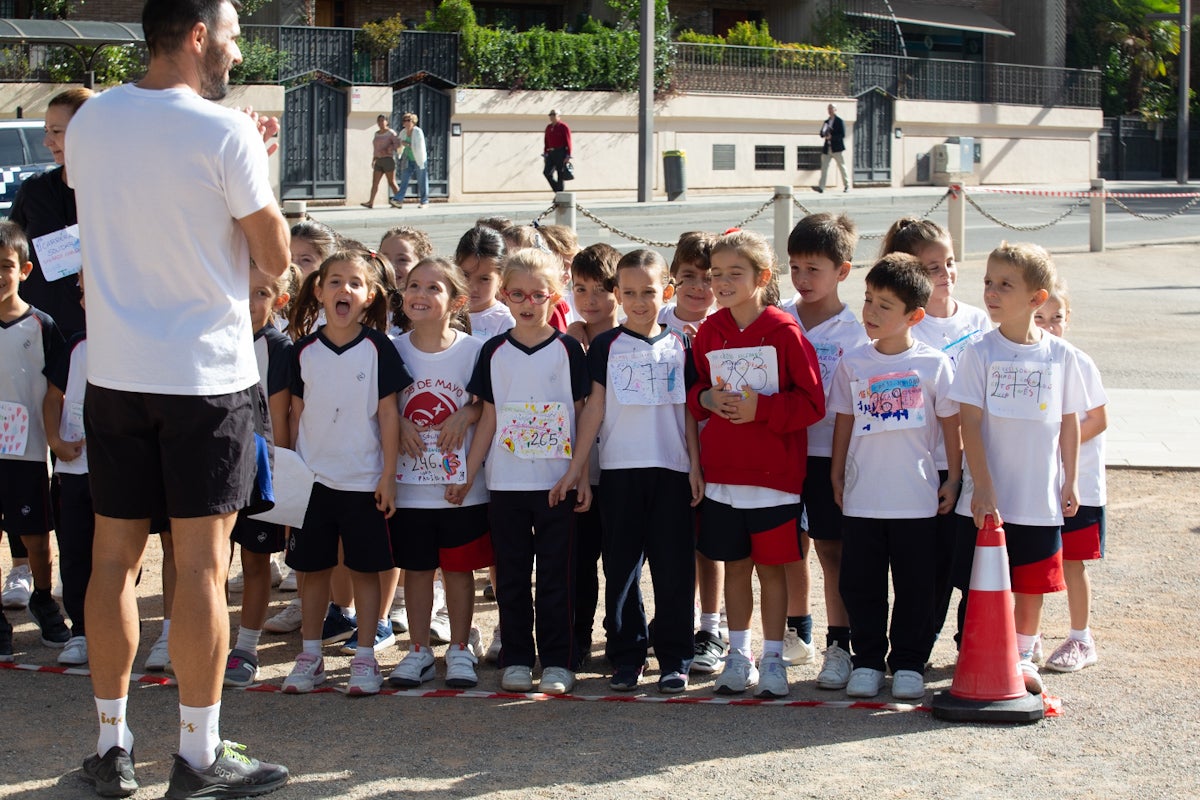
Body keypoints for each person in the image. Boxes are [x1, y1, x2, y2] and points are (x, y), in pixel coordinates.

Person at [64, 0, 292, 795]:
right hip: (203, 376)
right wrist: (257, 162)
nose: (236, 49)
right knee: (198, 567)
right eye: (230, 34)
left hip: (117, 371)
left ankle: (111, 746)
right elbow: (272, 261)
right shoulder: (223, 129)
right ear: (198, 37)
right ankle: (197, 755)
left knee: (112, 562)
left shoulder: (90, 121)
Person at [556, 249, 703, 693]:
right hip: (620, 473)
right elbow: (594, 409)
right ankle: (627, 655)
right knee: (620, 570)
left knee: (674, 569)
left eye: (650, 292)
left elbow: (689, 412)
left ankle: (675, 656)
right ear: (617, 294)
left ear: (668, 292)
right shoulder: (605, 346)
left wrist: (695, 465)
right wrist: (577, 469)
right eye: (631, 292)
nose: (640, 301)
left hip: (673, 472)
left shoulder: (682, 344)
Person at [687, 230, 824, 698]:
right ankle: (737, 656)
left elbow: (812, 403)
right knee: (736, 568)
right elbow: (694, 394)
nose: (722, 283)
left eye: (734, 274)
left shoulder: (785, 332)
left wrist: (761, 409)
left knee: (772, 571)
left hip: (775, 482)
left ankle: (772, 660)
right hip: (723, 477)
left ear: (762, 277)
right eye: (716, 275)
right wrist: (704, 396)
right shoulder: (709, 331)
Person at [948, 242, 1087, 695]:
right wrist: (982, 487)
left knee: (1030, 582)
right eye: (988, 282)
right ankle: (980, 650)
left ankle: (1022, 654)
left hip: (1038, 497)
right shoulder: (978, 353)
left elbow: (1069, 421)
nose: (991, 292)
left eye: (1005, 285)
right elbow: (969, 423)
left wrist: (1071, 478)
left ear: (1036, 299)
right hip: (990, 497)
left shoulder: (1061, 356)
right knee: (984, 580)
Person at [828, 254, 961, 700]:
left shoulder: (935, 365)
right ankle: (866, 660)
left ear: (914, 315)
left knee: (916, 586)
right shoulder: (853, 363)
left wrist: (954, 478)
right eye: (868, 300)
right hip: (864, 497)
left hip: (917, 499)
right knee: (860, 583)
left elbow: (951, 427)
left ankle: (907, 661)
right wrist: (836, 472)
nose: (870, 312)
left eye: (885, 305)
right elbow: (843, 421)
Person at [462, 248, 591, 696]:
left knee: (558, 576)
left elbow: (582, 414)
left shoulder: (569, 350)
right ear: (505, 294)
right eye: (517, 293)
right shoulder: (494, 351)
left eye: (538, 294)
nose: (527, 302)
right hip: (506, 484)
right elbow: (489, 418)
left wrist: (581, 476)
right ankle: (517, 656)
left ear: (554, 296)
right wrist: (469, 472)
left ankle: (557, 660)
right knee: (512, 576)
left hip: (558, 484)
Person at [281, 250, 409, 696]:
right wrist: (290, 481)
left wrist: (388, 474)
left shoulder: (379, 348)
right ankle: (311, 655)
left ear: (369, 294)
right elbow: (295, 416)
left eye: (355, 283)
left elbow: (389, 416)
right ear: (318, 290)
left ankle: (365, 659)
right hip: (313, 482)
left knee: (365, 570)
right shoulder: (303, 352)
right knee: (312, 570)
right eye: (335, 281)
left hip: (364, 481)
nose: (344, 290)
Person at [880, 216, 991, 654]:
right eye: (932, 268)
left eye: (949, 262)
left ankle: (977, 646)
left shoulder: (979, 320)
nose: (945, 274)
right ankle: (912, 652)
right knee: (929, 569)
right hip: (932, 464)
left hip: (977, 459)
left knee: (971, 562)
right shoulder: (908, 325)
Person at [388, 258, 491, 689]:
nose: (421, 294)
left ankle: (461, 649)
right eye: (414, 285)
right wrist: (400, 422)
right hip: (409, 487)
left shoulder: (475, 350)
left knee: (458, 571)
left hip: (458, 487)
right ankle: (418, 651)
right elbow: (382, 407)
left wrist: (466, 414)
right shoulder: (391, 350)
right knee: (416, 570)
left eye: (434, 288)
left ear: (457, 300)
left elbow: (489, 408)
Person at [780, 212, 866, 689]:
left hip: (831, 457)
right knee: (789, 546)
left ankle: (841, 644)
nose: (803, 278)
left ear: (843, 271)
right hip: (782, 452)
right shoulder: (779, 320)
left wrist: (840, 465)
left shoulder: (856, 332)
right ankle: (798, 631)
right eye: (795, 267)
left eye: (814, 268)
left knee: (832, 550)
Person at [223, 264, 298, 687]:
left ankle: (246, 647)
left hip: (258, 470)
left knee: (255, 561)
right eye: (241, 290)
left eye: (260, 294)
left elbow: (280, 418)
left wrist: (281, 476)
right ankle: (197, 640)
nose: (249, 303)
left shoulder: (278, 347)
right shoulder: (212, 335)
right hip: (213, 467)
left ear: (279, 300)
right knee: (210, 563)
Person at [0, 221, 69, 662]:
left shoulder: (42, 327)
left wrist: (57, 439)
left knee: (37, 537)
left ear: (24, 270)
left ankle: (43, 599)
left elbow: (56, 391)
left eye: (5, 266)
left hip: (26, 454)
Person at [1035, 281, 1107, 673]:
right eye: (1040, 318)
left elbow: (1097, 418)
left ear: (1068, 319)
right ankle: (1030, 640)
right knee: (1033, 561)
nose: (1048, 326)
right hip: (1037, 481)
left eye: (1056, 318)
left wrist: (1062, 445)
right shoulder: (1028, 359)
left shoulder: (1078, 361)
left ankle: (1081, 637)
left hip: (1079, 482)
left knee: (1072, 563)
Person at [562, 242, 621, 668]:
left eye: (601, 289)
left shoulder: (631, 337)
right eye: (581, 289)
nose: (590, 300)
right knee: (578, 565)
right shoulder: (568, 343)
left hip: (621, 471)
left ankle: (620, 638)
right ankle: (576, 637)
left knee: (621, 566)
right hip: (579, 471)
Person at [456, 225, 514, 343]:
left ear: (501, 279)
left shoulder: (506, 322)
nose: (472, 287)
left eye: (484, 279)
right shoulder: (443, 312)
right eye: (465, 275)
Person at [363, 114, 401, 209]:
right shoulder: (376, 134)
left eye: (383, 120)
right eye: (379, 121)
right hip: (378, 160)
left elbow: (398, 145)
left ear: (387, 121)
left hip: (388, 159)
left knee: (391, 182)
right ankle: (370, 202)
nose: (381, 122)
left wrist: (390, 148)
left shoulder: (391, 133)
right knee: (375, 182)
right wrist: (374, 158)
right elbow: (375, 147)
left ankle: (399, 200)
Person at [392, 112, 428, 209]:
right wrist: (400, 146)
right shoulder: (403, 132)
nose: (406, 122)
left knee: (422, 180)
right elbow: (399, 145)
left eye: (408, 120)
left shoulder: (418, 131)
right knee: (404, 180)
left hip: (419, 159)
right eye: (404, 120)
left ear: (413, 122)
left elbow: (419, 147)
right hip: (408, 158)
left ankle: (424, 201)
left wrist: (407, 144)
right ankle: (398, 200)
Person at [814, 103, 849, 193]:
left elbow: (842, 135)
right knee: (824, 168)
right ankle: (821, 187)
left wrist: (832, 138)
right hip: (827, 148)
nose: (829, 110)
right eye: (828, 109)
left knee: (842, 167)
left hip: (837, 148)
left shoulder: (839, 121)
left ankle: (847, 185)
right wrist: (823, 133)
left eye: (831, 109)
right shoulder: (826, 121)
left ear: (835, 110)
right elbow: (821, 133)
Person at [542, 109, 572, 193]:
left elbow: (568, 141)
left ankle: (560, 194)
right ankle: (558, 191)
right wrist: (545, 154)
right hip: (551, 153)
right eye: (550, 115)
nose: (552, 117)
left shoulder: (563, 126)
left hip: (560, 152)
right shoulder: (548, 127)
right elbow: (546, 142)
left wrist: (568, 155)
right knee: (547, 172)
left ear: (559, 116)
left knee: (560, 173)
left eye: (554, 115)